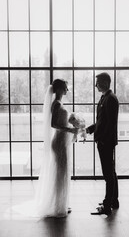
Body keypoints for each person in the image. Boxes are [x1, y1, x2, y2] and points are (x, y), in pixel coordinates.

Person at [9, 79, 78, 219]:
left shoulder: (58, 103)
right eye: (65, 88)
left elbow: (60, 121)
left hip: (61, 142)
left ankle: (61, 203)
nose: (66, 90)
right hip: (58, 142)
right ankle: (57, 206)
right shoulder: (57, 104)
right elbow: (54, 125)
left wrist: (71, 120)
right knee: (60, 175)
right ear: (58, 89)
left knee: (61, 174)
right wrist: (70, 130)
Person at [86, 72, 119, 216]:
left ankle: (107, 206)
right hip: (104, 140)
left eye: (97, 82)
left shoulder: (111, 99)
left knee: (108, 174)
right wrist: (91, 128)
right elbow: (102, 120)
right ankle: (113, 201)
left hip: (106, 141)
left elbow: (110, 124)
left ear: (105, 82)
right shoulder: (104, 97)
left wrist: (103, 140)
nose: (95, 85)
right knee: (111, 172)